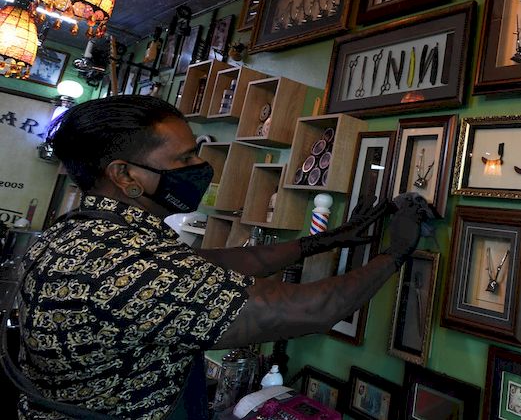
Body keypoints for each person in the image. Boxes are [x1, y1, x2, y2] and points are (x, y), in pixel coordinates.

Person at [8, 95, 428, 419]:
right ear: (125, 175)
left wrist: (321, 241)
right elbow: (314, 309)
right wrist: (396, 251)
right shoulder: (122, 264)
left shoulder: (82, 233)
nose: (200, 166)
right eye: (185, 158)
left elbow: (206, 268)